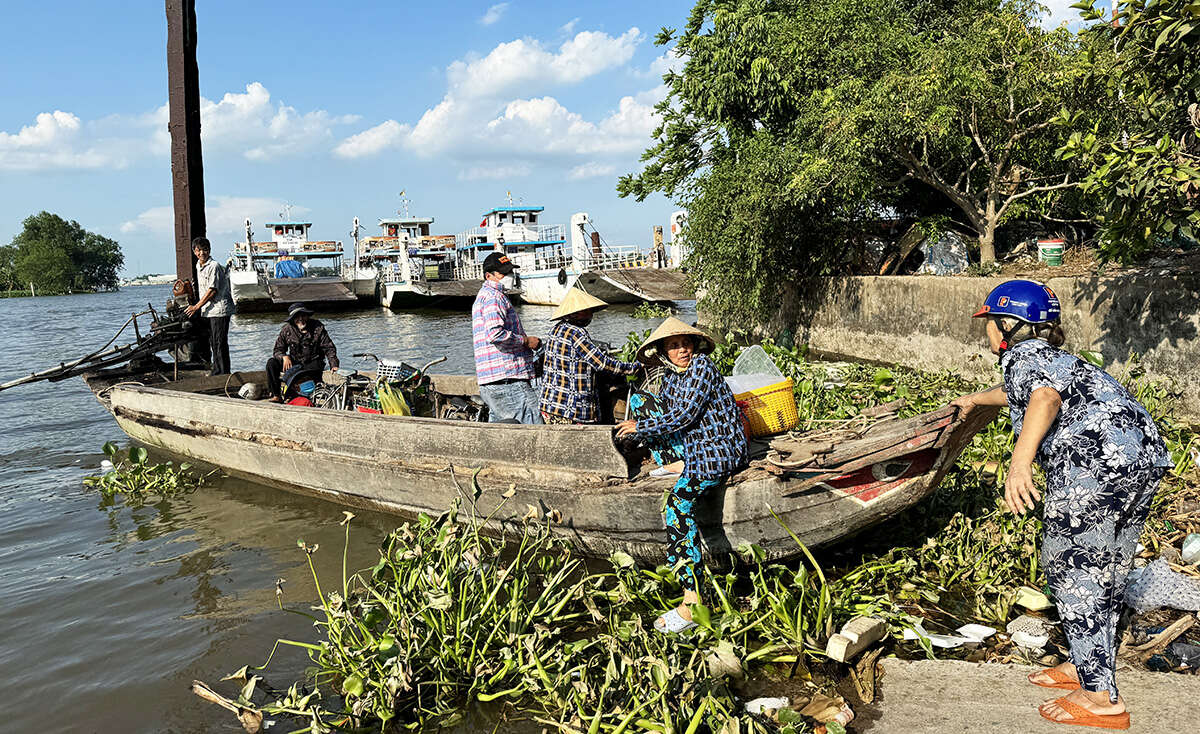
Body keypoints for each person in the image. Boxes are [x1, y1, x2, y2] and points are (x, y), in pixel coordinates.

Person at [950, 279, 1171, 730]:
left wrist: (1019, 464)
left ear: (1008, 325)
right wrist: (976, 399)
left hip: (1094, 464)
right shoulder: (1056, 358)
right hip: (1140, 458)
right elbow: (1025, 391)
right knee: (1106, 570)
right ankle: (1087, 665)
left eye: (990, 323)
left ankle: (1101, 698)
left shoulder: (1021, 356)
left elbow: (1044, 398)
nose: (988, 333)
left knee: (1073, 570)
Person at [615, 317, 749, 633]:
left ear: (695, 345)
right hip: (693, 447)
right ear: (663, 351)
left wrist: (641, 428)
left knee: (677, 507)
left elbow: (685, 415)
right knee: (639, 400)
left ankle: (692, 602)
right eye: (673, 346)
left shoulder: (703, 367)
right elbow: (667, 413)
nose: (682, 350)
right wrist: (640, 415)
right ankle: (676, 463)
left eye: (685, 343)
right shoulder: (673, 378)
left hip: (718, 450)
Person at [539, 288, 640, 424]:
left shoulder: (556, 329)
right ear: (573, 313)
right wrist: (634, 367)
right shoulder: (576, 333)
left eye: (590, 311)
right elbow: (602, 364)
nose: (589, 315)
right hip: (570, 409)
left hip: (550, 404)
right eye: (585, 311)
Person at [471, 252, 542, 424]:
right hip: (508, 380)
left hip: (493, 382)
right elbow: (495, 334)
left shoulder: (485, 296)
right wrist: (526, 341)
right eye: (504, 273)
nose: (509, 276)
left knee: (503, 436)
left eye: (510, 271)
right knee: (533, 432)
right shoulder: (494, 297)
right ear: (489, 276)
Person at [266, 302, 339, 402]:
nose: (301, 319)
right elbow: (278, 350)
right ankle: (276, 395)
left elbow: (329, 348)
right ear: (292, 319)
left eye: (303, 315)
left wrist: (333, 364)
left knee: (301, 374)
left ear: (307, 316)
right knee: (271, 363)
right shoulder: (287, 330)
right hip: (295, 362)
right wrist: (284, 356)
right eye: (297, 316)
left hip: (313, 363)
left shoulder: (318, 327)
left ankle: (294, 394)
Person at [184, 236, 235, 375]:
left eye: (205, 250)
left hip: (219, 309)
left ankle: (223, 373)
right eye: (199, 250)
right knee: (214, 342)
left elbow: (212, 291)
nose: (202, 253)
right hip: (209, 310)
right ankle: (218, 370)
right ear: (194, 251)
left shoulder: (214, 266)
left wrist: (196, 307)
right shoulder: (198, 266)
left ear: (209, 250)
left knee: (219, 343)